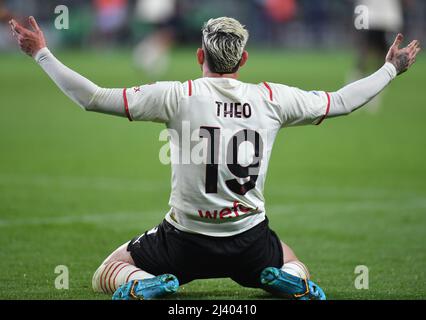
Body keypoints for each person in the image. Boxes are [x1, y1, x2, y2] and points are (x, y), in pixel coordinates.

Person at [9, 16, 420, 300]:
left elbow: (92, 98)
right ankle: (282, 279)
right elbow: (342, 102)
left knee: (107, 271)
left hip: (183, 241)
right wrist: (389, 69)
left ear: (199, 56)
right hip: (249, 240)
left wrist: (41, 52)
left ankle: (141, 286)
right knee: (296, 264)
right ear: (242, 60)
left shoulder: (176, 95)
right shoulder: (272, 99)